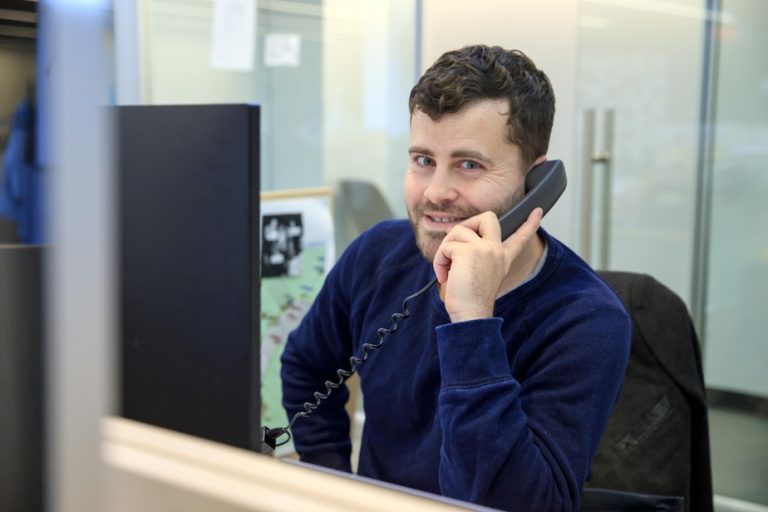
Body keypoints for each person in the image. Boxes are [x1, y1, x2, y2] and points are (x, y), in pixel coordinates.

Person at [280, 45, 631, 511]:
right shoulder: (378, 254)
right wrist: (334, 485)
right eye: (424, 160)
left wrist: (471, 321)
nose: (436, 192)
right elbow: (307, 366)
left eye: (469, 165)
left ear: (536, 182)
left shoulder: (587, 321)